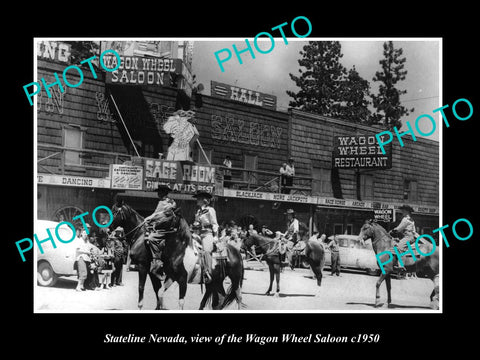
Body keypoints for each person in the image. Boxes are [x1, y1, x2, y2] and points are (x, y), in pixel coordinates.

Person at [144, 184, 177, 276]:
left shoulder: (163, 203)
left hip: (164, 228)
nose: (158, 193)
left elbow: (156, 215)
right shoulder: (171, 201)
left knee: (151, 238)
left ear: (163, 193)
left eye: (159, 192)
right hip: (168, 226)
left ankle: (157, 260)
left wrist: (146, 219)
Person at [194, 191, 218, 284]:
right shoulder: (198, 211)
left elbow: (215, 224)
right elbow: (196, 223)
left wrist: (215, 236)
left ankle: (208, 272)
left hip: (208, 234)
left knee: (207, 251)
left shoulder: (210, 210)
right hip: (198, 233)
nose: (197, 200)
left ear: (204, 200)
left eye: (199, 198)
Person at [390, 204, 419, 270]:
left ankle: (401, 265)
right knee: (394, 244)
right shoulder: (411, 219)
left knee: (400, 247)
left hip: (408, 236)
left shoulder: (406, 219)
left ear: (406, 211)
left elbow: (399, 228)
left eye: (403, 211)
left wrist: (392, 231)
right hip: (408, 236)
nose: (402, 212)